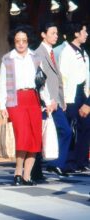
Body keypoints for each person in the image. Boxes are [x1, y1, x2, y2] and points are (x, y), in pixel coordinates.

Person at [0, 25, 52, 186]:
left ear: (28, 41)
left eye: (24, 40)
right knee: (23, 137)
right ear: (13, 42)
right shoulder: (8, 59)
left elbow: (42, 82)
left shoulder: (35, 57)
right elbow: (2, 84)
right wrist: (2, 105)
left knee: (35, 138)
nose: (21, 44)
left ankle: (27, 175)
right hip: (16, 100)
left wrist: (47, 102)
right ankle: (17, 172)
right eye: (17, 41)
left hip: (34, 99)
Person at [33, 22, 71, 178]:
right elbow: (39, 80)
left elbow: (57, 78)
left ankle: (53, 164)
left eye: (57, 33)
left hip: (55, 101)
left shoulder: (52, 53)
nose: (56, 36)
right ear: (43, 34)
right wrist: (48, 101)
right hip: (45, 102)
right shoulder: (38, 53)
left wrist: (61, 100)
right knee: (45, 134)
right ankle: (39, 170)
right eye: (53, 33)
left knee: (63, 132)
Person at [59, 22, 90, 173]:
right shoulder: (67, 52)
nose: (86, 34)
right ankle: (69, 161)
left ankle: (81, 160)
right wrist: (64, 98)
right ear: (76, 33)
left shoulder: (83, 51)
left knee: (85, 126)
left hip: (83, 92)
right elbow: (63, 76)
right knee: (70, 128)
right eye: (84, 31)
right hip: (70, 94)